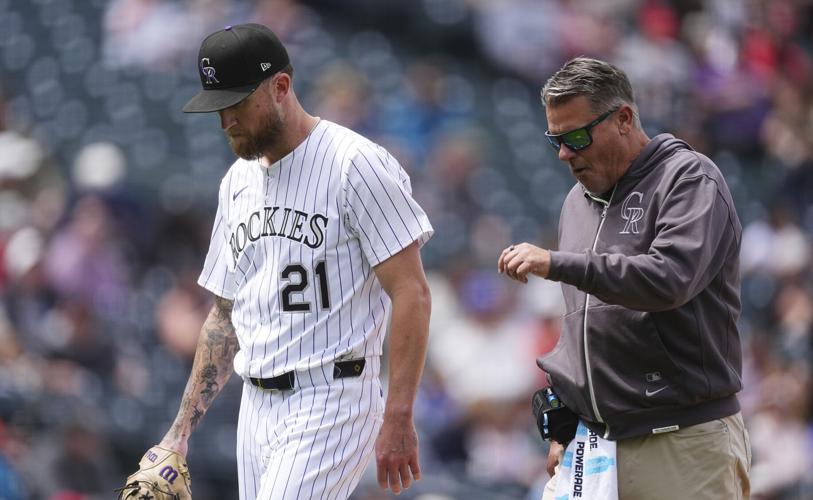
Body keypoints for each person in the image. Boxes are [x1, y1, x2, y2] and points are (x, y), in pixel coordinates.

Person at [129, 23, 434, 500]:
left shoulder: (356, 165)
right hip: (256, 404)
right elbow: (225, 315)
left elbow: (411, 291)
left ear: (281, 87)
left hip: (334, 395)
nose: (225, 120)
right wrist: (179, 433)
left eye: (235, 104)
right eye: (217, 106)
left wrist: (399, 413)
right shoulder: (236, 183)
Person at [497, 57, 750, 499]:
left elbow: (667, 280)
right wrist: (565, 417)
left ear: (623, 119)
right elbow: (585, 323)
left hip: (679, 440)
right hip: (593, 448)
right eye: (556, 140)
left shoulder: (688, 179)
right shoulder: (576, 202)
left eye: (576, 137)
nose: (564, 154)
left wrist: (558, 262)